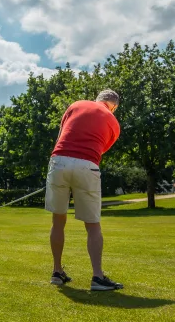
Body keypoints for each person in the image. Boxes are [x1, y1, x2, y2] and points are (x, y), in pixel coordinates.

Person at [45, 89, 123, 291]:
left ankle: (56, 272)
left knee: (58, 220)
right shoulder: (113, 122)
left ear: (98, 99)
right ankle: (97, 277)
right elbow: (101, 149)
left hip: (58, 161)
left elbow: (63, 133)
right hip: (87, 164)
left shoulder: (76, 105)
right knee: (93, 225)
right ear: (113, 106)